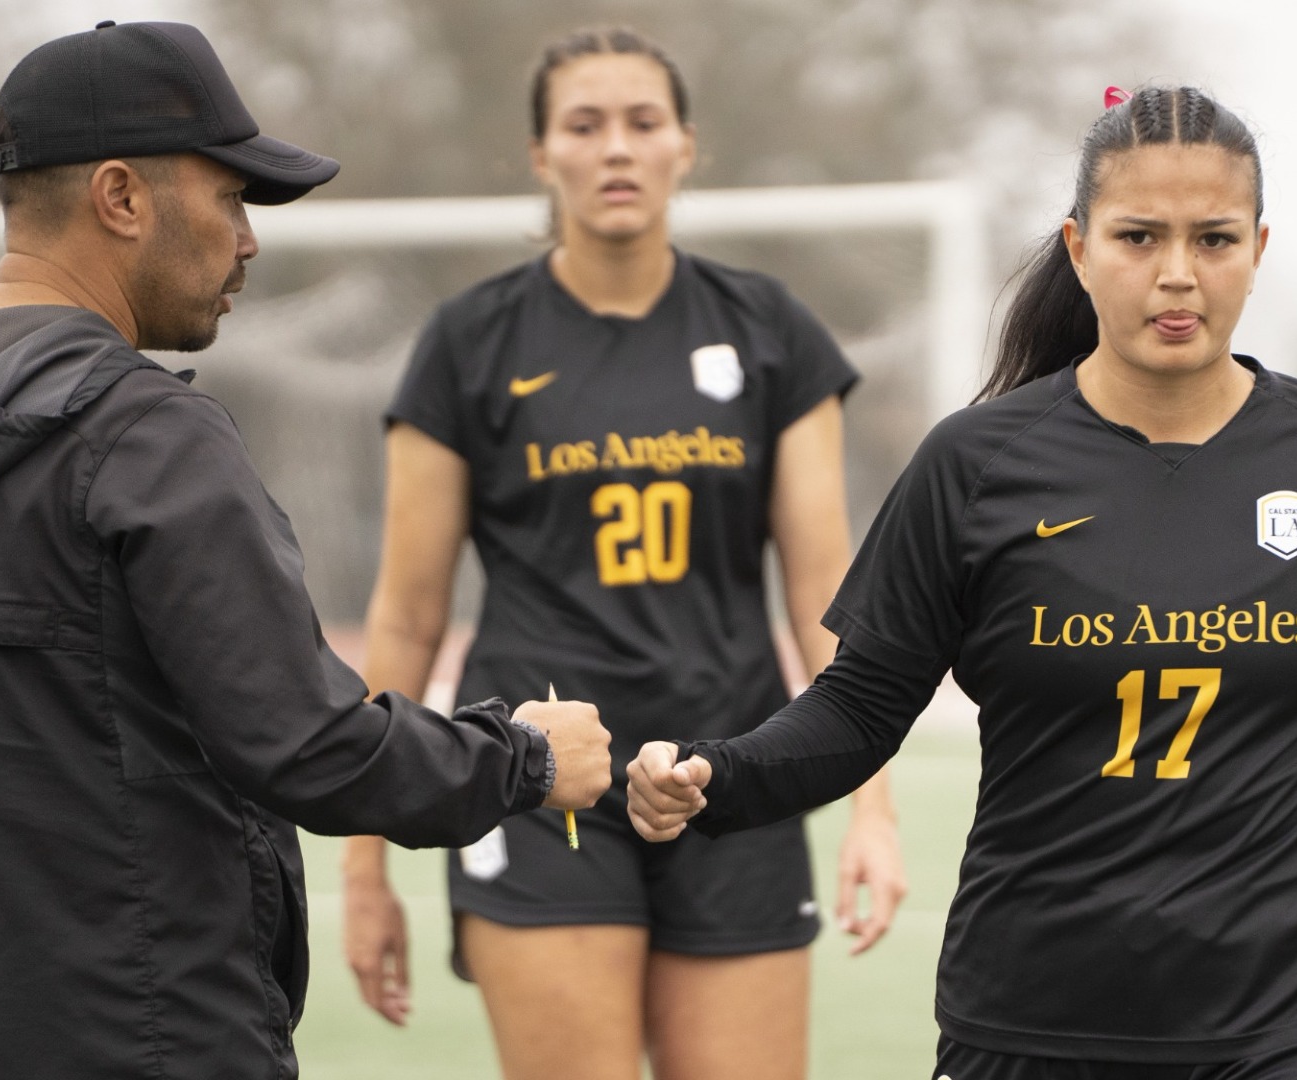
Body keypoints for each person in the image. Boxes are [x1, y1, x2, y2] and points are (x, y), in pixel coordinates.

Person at [629, 84, 1297, 1078]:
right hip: (1033, 1019)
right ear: (1080, 248)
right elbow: (863, 707)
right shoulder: (974, 465)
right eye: (1139, 237)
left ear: (1258, 250)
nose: (1177, 274)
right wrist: (716, 776)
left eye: (1213, 240)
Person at [0, 21, 612, 1080]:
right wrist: (528, 758)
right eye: (229, 196)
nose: (249, 237)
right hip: (149, 1031)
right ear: (122, 198)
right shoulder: (148, 438)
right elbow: (310, 746)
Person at [338, 26, 907, 1080]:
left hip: (731, 775)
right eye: (584, 125)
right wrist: (366, 872)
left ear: (685, 146)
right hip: (536, 774)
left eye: (643, 123)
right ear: (540, 154)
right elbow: (409, 615)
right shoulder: (470, 343)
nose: (615, 150)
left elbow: (826, 594)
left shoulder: (769, 329)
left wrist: (869, 806)